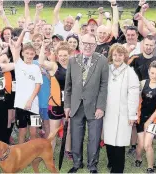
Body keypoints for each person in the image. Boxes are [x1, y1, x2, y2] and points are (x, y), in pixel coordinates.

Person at [64, 33, 109, 173]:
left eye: (91, 44)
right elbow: (68, 86)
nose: (88, 46)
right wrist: (67, 105)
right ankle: (77, 164)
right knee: (76, 137)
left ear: (95, 45)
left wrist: (101, 107)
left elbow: (104, 85)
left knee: (94, 138)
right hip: (76, 106)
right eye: (85, 43)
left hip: (94, 107)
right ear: (80, 44)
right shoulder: (72, 60)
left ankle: (92, 165)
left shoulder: (102, 60)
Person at [103, 44, 140, 173]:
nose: (117, 57)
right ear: (111, 56)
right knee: (108, 139)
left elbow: (134, 95)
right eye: (115, 55)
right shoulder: (106, 70)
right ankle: (111, 162)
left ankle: (118, 169)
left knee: (119, 141)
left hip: (123, 112)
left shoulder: (129, 72)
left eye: (120, 55)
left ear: (124, 56)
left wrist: (132, 115)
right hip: (108, 111)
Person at [134, 60, 156, 173]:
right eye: (152, 73)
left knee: (148, 144)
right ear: (149, 72)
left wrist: (149, 121)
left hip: (154, 119)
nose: (154, 76)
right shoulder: (143, 83)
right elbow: (136, 99)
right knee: (141, 144)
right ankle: (138, 158)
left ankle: (150, 167)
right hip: (140, 117)